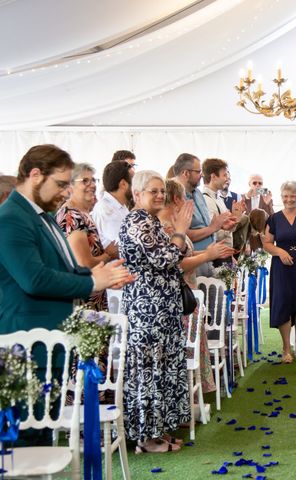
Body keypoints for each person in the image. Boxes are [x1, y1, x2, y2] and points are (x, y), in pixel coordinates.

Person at [0, 144, 132, 334]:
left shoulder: (42, 215)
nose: (65, 192)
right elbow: (35, 279)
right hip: (28, 338)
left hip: (49, 334)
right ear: (35, 175)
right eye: (61, 184)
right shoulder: (11, 218)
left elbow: (60, 269)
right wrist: (93, 282)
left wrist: (101, 276)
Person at [119, 170, 193, 453]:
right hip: (146, 311)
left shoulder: (150, 221)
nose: (160, 195)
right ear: (137, 195)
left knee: (161, 370)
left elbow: (177, 254)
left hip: (162, 308)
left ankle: (159, 431)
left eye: (162, 190)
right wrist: (180, 232)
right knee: (148, 371)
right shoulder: (137, 222)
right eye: (153, 191)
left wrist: (177, 236)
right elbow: (168, 257)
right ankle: (146, 438)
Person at [158, 179, 235, 394]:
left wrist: (211, 252)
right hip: (179, 295)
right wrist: (207, 256)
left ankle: (192, 395)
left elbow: (186, 254)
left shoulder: (174, 227)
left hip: (189, 292)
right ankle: (184, 397)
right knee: (182, 349)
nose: (187, 201)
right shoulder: (166, 229)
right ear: (176, 200)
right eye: (185, 198)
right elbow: (177, 264)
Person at [262, 181, 296, 364]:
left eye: (293, 196)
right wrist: (280, 252)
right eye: (286, 196)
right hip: (282, 267)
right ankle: (286, 347)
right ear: (281, 197)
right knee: (284, 303)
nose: (289, 199)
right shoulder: (274, 219)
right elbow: (267, 244)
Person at [55, 163, 119, 311]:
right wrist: (109, 254)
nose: (92, 185)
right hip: (84, 301)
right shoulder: (72, 216)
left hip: (93, 297)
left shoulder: (82, 214)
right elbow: (84, 264)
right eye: (85, 181)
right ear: (69, 186)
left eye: (93, 180)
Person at [172, 153, 236, 275]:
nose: (202, 175)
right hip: (191, 262)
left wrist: (221, 225)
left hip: (208, 259)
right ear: (186, 173)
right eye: (198, 171)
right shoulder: (175, 198)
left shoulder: (198, 194)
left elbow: (206, 226)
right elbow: (183, 235)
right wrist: (213, 228)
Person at [201, 158, 248, 263]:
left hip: (225, 255)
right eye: (224, 175)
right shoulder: (206, 200)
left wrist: (236, 217)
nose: (227, 178)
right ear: (213, 177)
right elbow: (211, 234)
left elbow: (227, 230)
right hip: (216, 258)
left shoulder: (217, 198)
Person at [92, 160, 133, 247]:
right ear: (123, 184)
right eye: (134, 180)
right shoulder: (105, 209)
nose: (137, 186)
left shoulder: (120, 205)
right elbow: (123, 247)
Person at [243, 173, 274, 251]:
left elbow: (272, 218)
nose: (257, 185)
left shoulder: (267, 199)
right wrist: (246, 198)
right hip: (246, 238)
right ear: (249, 184)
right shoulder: (242, 198)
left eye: (260, 183)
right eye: (254, 183)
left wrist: (268, 204)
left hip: (262, 239)